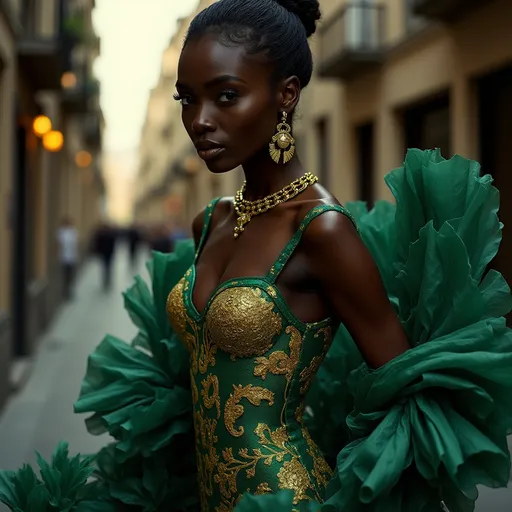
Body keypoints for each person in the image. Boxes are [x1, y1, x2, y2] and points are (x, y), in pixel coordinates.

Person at [1, 1, 512, 511]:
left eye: (226, 96)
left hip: (285, 497)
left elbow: (406, 390)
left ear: (285, 95)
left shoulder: (321, 229)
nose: (199, 121)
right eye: (186, 98)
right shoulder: (213, 220)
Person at [57, 216, 78, 300]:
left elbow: (75, 245)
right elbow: (58, 244)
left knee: (71, 275)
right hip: (63, 257)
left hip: (72, 257)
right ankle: (65, 291)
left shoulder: (73, 232)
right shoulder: (61, 232)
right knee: (65, 275)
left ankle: (70, 291)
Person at [92, 221, 117, 291]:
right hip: (108, 254)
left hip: (105, 254)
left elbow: (97, 244)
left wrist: (98, 252)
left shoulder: (102, 234)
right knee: (108, 267)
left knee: (105, 267)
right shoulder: (110, 234)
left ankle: (106, 281)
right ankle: (107, 281)